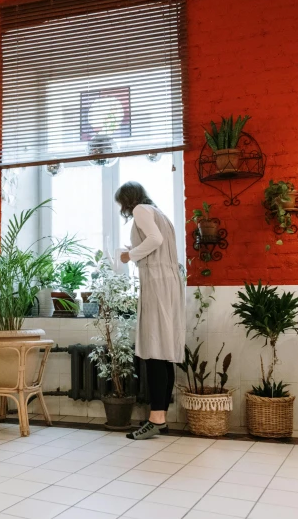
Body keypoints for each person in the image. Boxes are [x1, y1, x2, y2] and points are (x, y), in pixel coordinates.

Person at [116, 181, 185, 440]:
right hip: (169, 282)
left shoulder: (141, 211)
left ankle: (155, 418)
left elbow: (154, 240)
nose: (123, 208)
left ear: (127, 200)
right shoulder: (161, 214)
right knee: (164, 350)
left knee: (155, 349)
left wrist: (129, 255)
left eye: (122, 203)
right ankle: (161, 417)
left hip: (157, 282)